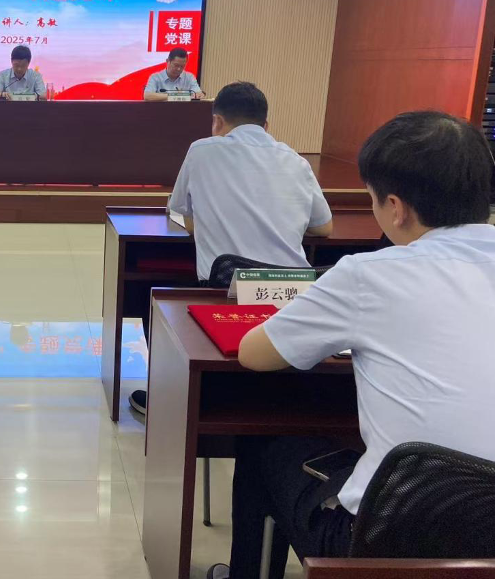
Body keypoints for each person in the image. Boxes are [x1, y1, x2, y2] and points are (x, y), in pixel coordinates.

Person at [207, 111, 495, 579]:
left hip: (388, 540)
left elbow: (254, 354)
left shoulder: (370, 274)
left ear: (396, 208)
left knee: (264, 444)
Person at [130, 82, 333, 416]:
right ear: (266, 125)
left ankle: (168, 399)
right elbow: (324, 227)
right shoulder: (296, 161)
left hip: (225, 290)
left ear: (217, 122)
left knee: (146, 293)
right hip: (292, 294)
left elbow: (180, 212)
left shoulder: (202, 151)